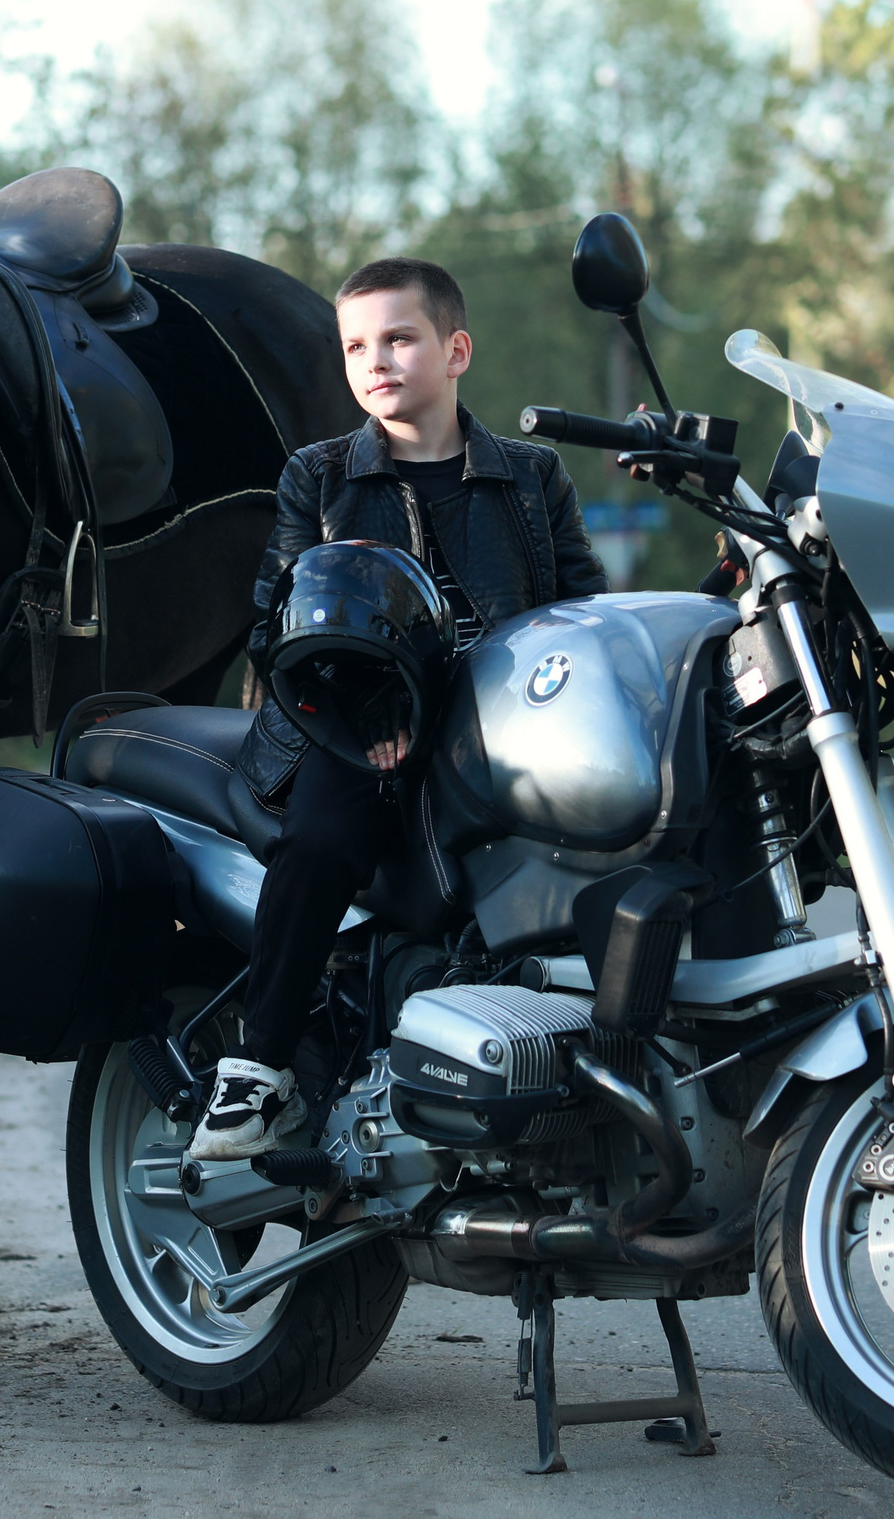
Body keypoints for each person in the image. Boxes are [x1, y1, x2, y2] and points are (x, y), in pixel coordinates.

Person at [188, 257, 608, 1160]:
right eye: (355, 346)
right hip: (348, 730)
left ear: (455, 350)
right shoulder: (321, 475)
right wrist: (365, 709)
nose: (375, 360)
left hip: (501, 730)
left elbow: (582, 611)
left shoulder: (533, 477)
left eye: (399, 338)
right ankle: (257, 1073)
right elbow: (277, 618)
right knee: (324, 840)